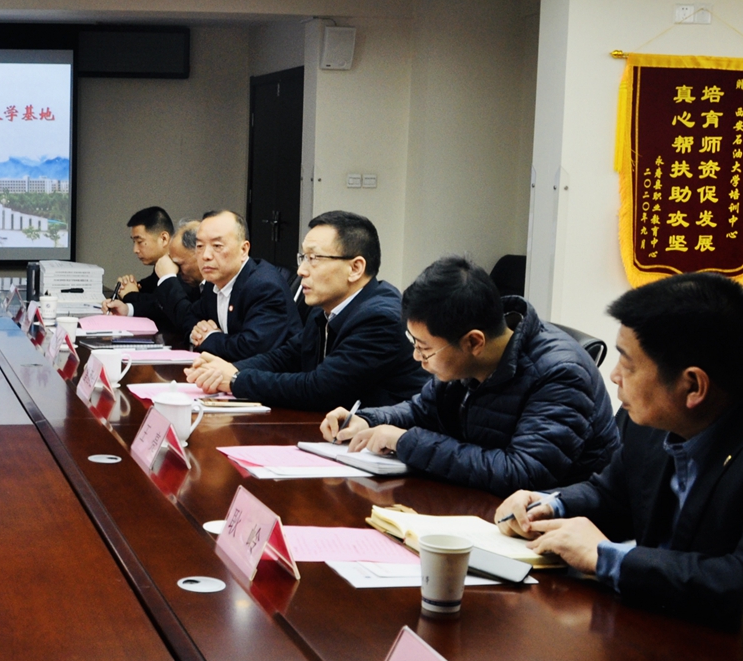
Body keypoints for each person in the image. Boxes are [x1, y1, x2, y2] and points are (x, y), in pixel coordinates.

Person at [497, 273, 743, 628]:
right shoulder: (645, 422)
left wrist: (608, 559)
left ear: (693, 386)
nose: (614, 376)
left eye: (628, 364)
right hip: (646, 626)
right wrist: (548, 506)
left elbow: (733, 580)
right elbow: (612, 495)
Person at [321, 256, 619, 497]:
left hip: (551, 523)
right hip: (477, 501)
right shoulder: (462, 360)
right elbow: (423, 410)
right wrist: (369, 420)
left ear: (474, 342)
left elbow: (522, 473)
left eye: (424, 348)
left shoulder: (561, 373)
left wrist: (407, 442)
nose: (416, 357)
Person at [185, 210, 422, 411]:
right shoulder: (324, 310)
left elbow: (320, 389)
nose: (301, 271)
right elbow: (287, 356)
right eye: (303, 258)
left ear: (355, 268)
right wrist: (228, 369)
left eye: (314, 258)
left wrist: (236, 379)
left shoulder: (380, 318)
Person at [157, 209, 298, 359]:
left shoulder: (264, 286)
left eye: (217, 246)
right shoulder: (214, 283)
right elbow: (191, 317)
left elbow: (251, 349)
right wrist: (197, 332)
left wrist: (210, 337)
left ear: (244, 250)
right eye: (200, 246)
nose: (206, 256)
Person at [102, 206, 174, 326]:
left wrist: (131, 295)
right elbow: (150, 288)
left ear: (164, 238)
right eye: (134, 242)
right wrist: (127, 287)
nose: (135, 250)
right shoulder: (161, 266)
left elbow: (161, 304)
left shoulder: (182, 267)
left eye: (140, 242)